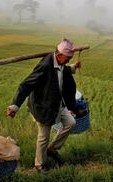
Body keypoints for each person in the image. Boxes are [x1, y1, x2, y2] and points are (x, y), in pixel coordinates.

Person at [7, 38, 81, 173]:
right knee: (43, 136)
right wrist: (15, 106)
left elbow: (63, 70)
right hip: (43, 106)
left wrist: (73, 67)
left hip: (57, 103)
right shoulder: (45, 65)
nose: (68, 60)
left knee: (71, 123)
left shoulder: (60, 62)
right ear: (59, 55)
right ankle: (39, 164)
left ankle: (52, 149)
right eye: (67, 58)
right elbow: (26, 84)